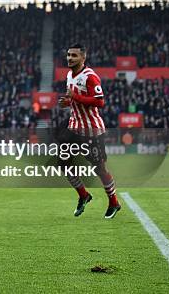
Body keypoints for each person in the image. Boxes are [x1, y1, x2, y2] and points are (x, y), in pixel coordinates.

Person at [57, 44, 121, 219]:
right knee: (63, 163)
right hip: (73, 127)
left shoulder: (91, 77)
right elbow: (73, 100)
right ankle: (84, 195)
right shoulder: (69, 75)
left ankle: (114, 202)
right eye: (68, 55)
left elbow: (100, 102)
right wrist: (67, 103)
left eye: (74, 56)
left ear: (83, 58)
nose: (70, 58)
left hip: (92, 130)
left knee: (99, 169)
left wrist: (74, 97)